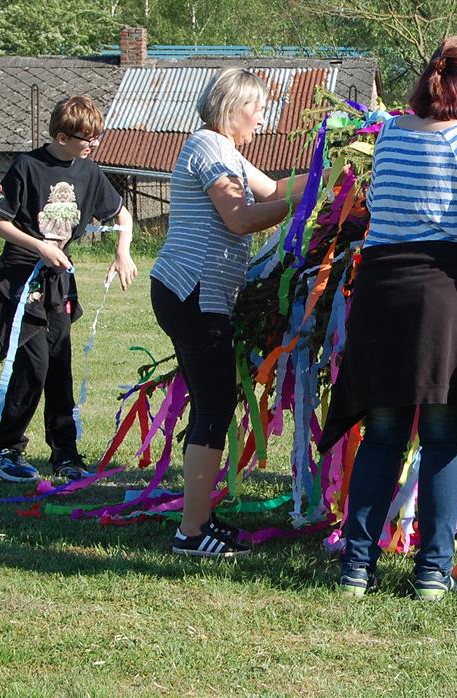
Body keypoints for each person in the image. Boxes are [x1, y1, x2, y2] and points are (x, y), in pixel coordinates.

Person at [320, 35, 457, 600]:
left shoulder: (390, 133)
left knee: (383, 435)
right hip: (443, 298)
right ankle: (432, 573)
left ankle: (356, 569)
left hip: (383, 294)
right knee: (444, 438)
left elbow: (385, 212)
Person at [151, 68, 296, 558]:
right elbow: (239, 218)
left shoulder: (224, 150)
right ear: (233, 108)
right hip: (193, 293)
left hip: (197, 293)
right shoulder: (209, 147)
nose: (262, 118)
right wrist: (309, 200)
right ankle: (191, 534)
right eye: (257, 109)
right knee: (213, 406)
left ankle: (199, 520)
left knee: (213, 404)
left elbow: (273, 191)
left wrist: (333, 170)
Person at [0, 95, 137, 483]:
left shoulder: (88, 171)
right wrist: (40, 246)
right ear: (63, 136)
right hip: (22, 278)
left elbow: (122, 213)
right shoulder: (27, 166)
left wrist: (122, 251)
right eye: (87, 139)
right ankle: (4, 450)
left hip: (60, 282)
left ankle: (65, 455)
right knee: (33, 365)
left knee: (60, 367)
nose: (93, 145)